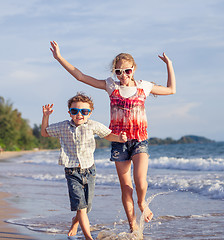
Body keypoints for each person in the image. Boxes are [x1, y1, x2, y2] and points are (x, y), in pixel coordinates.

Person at [50, 41, 176, 232]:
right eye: (118, 72)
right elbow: (80, 76)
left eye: (127, 71)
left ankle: (142, 203)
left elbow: (171, 89)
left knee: (140, 182)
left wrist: (169, 65)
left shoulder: (144, 87)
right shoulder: (111, 86)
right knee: (126, 187)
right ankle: (133, 226)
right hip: (119, 142)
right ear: (114, 72)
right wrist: (59, 57)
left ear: (133, 70)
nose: (123, 75)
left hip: (139, 140)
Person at [41, 93, 127, 240]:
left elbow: (107, 135)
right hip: (72, 171)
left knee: (86, 207)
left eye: (84, 111)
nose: (79, 114)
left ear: (90, 113)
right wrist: (46, 116)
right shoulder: (63, 126)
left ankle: (75, 222)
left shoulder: (93, 125)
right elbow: (44, 133)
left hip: (90, 170)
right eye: (75, 111)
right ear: (70, 112)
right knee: (80, 207)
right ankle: (88, 237)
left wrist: (119, 138)